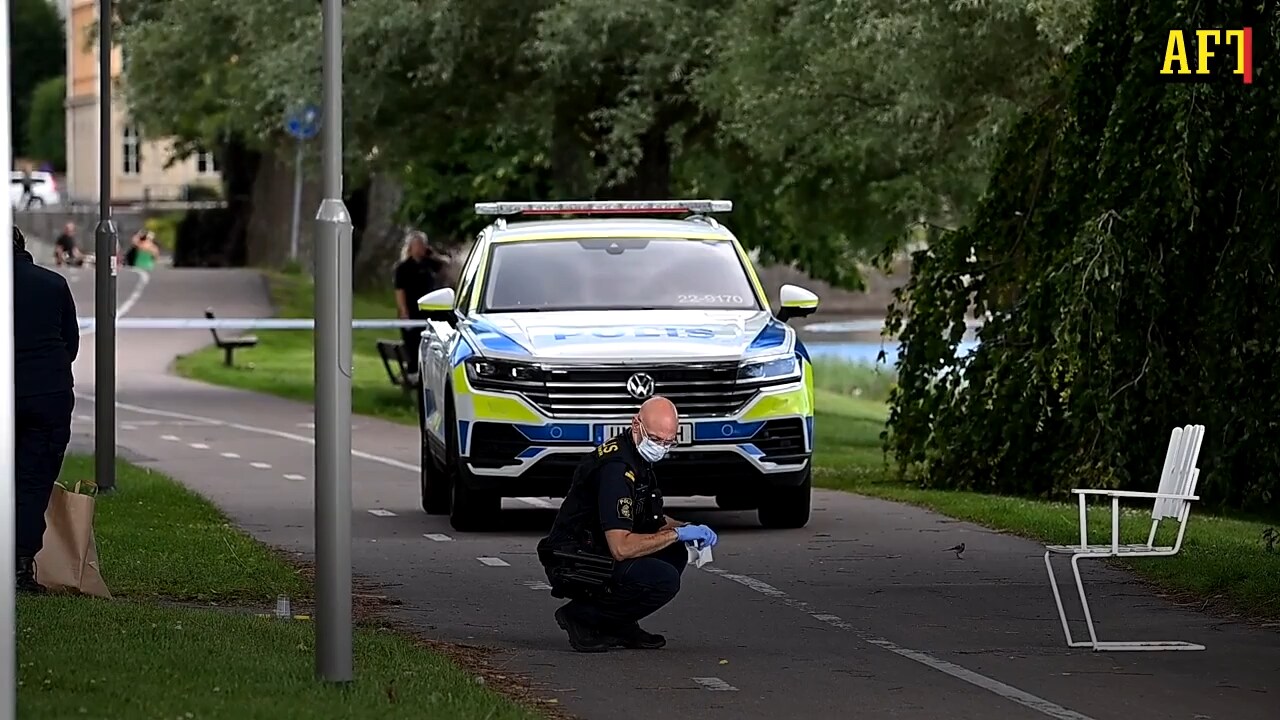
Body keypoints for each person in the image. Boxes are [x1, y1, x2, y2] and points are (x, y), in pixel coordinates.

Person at [537, 396, 719, 652]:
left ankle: (618, 623)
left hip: (598, 548)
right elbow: (620, 547)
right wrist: (677, 533)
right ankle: (582, 616)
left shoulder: (638, 459)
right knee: (664, 579)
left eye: (669, 442)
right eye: (656, 440)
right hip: (578, 558)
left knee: (674, 553)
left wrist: (689, 529)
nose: (662, 447)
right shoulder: (617, 469)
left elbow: (651, 519)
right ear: (636, 425)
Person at [11, 225, 80, 593]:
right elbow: (70, 343)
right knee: (32, 481)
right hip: (46, 395)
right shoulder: (52, 284)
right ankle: (20, 569)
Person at [392, 230, 444, 382]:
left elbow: (446, 264)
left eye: (423, 245)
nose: (421, 248)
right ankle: (414, 373)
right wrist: (404, 311)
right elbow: (399, 291)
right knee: (413, 343)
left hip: (429, 312)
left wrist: (431, 253)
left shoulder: (429, 264)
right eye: (418, 245)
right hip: (412, 311)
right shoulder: (403, 268)